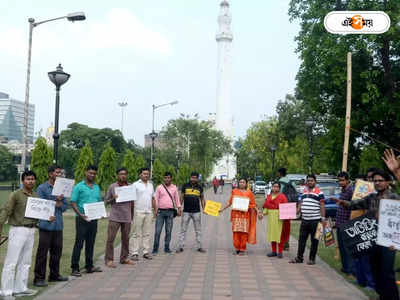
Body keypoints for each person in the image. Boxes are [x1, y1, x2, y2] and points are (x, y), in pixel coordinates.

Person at [335, 169, 399, 300]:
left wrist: (396, 242)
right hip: (372, 239)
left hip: (388, 241)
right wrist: (343, 203)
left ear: (387, 182)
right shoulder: (372, 197)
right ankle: (382, 296)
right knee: (375, 270)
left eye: (380, 180)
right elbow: (355, 204)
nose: (377, 183)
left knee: (387, 273)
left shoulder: (394, 197)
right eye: (375, 181)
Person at [0, 170, 52, 298]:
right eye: (28, 179)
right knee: (11, 262)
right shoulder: (16, 194)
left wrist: (48, 217)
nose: (31, 181)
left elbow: (39, 213)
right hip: (18, 230)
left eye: (33, 179)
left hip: (31, 230)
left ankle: (20, 287)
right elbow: (6, 212)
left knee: (26, 261)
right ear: (23, 181)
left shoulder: (35, 196)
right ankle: (6, 291)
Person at [33, 165, 69, 287]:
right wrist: (56, 201)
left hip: (58, 225)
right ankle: (38, 278)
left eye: (60, 173)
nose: (59, 175)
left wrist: (59, 202)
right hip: (45, 225)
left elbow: (64, 207)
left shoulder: (63, 189)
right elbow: (41, 205)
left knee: (56, 252)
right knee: (42, 253)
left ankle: (54, 275)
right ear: (50, 174)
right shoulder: (42, 188)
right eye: (57, 173)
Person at [70, 165, 103, 277]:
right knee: (79, 243)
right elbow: (73, 202)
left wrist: (100, 213)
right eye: (90, 173)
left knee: (91, 243)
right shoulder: (79, 187)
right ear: (86, 173)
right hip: (81, 218)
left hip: (93, 219)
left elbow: (98, 202)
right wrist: (81, 214)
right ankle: (75, 268)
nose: (92, 175)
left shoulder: (97, 187)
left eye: (94, 173)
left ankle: (89, 266)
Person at [290, 174, 325, 265]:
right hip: (304, 220)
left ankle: (312, 259)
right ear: (306, 182)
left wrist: (323, 218)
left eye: (311, 180)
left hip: (316, 220)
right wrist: (296, 212)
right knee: (301, 240)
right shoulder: (304, 192)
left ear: (315, 182)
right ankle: (299, 258)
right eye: (308, 180)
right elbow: (301, 204)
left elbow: (322, 206)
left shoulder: (319, 192)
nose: (310, 182)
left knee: (315, 241)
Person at [104, 168, 135, 268]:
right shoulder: (112, 186)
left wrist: (132, 215)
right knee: (110, 239)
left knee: (126, 239)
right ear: (117, 175)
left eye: (125, 174)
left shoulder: (130, 186)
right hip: (115, 217)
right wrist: (114, 198)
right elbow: (106, 201)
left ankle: (124, 258)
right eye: (121, 174)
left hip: (126, 217)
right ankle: (109, 259)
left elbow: (132, 202)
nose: (123, 176)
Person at [219, 178, 259, 255]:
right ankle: (237, 248)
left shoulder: (249, 193)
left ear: (246, 183)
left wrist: (258, 212)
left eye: (243, 182)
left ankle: (242, 249)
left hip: (245, 216)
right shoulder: (234, 191)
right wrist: (222, 209)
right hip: (236, 216)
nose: (241, 183)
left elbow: (253, 204)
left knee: (244, 232)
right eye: (240, 182)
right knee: (236, 232)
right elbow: (230, 202)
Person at [330, 172, 355, 279]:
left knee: (347, 248)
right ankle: (345, 267)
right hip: (340, 222)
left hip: (347, 223)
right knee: (341, 247)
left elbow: (353, 205)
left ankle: (350, 270)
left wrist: (340, 201)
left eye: (342, 180)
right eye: (339, 180)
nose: (340, 182)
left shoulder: (351, 190)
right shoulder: (343, 189)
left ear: (347, 180)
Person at [152, 172, 182, 255]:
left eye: (168, 178)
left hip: (170, 212)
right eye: (165, 178)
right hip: (160, 212)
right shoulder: (159, 187)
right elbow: (156, 199)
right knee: (157, 231)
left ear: (171, 178)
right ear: (163, 178)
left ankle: (167, 247)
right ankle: (155, 248)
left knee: (168, 231)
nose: (167, 179)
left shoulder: (174, 188)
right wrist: (155, 210)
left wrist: (179, 208)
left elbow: (177, 199)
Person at [177, 172, 206, 253]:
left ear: (197, 178)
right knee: (183, 229)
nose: (193, 179)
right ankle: (181, 246)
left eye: (195, 177)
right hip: (186, 211)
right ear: (190, 177)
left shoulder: (200, 187)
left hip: (197, 212)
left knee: (198, 230)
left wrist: (204, 208)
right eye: (192, 177)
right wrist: (179, 208)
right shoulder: (185, 186)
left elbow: (202, 198)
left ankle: (199, 247)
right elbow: (181, 197)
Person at [131, 168, 155, 261]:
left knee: (147, 233)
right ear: (140, 175)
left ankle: (145, 252)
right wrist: (132, 211)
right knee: (136, 233)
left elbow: (153, 198)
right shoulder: (135, 185)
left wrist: (154, 209)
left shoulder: (151, 185)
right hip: (138, 211)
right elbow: (132, 199)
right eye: (144, 174)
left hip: (148, 212)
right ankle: (134, 253)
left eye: (147, 174)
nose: (146, 175)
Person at [262, 182, 290, 258]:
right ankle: (274, 251)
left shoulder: (282, 197)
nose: (275, 188)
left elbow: (286, 208)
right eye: (274, 186)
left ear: (279, 188)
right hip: (271, 219)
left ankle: (280, 252)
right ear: (272, 187)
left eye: (277, 187)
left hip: (279, 219)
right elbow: (266, 207)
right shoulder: (269, 197)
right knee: (272, 235)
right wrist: (262, 214)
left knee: (279, 235)